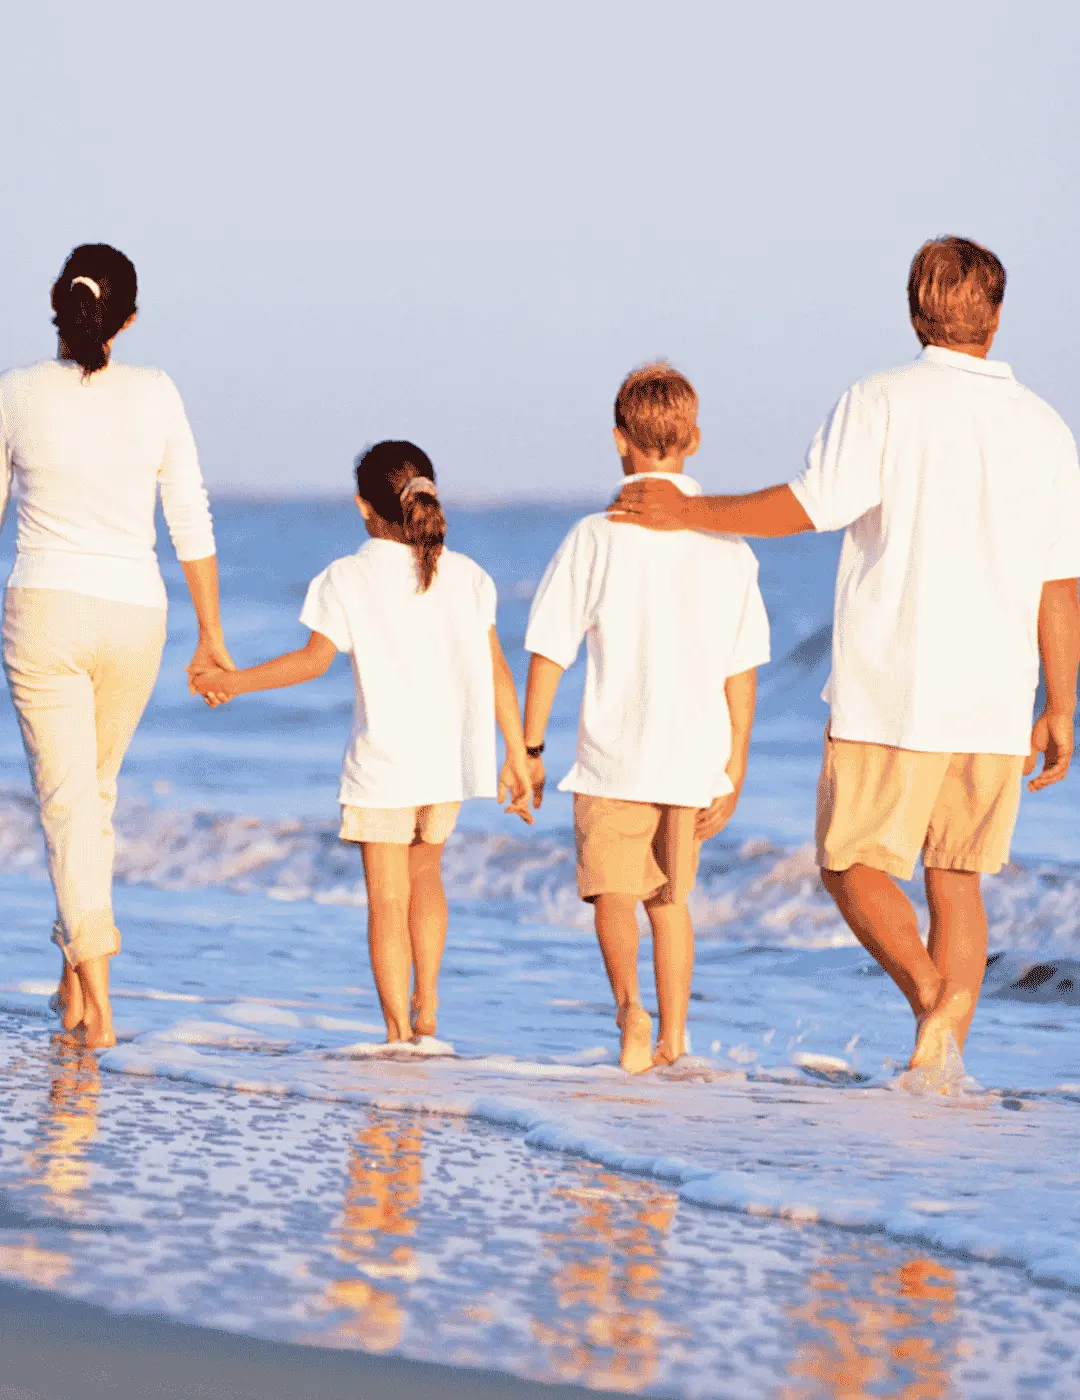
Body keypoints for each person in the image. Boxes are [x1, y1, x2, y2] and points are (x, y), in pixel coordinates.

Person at [609, 237, 1080, 1073]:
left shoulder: (881, 400)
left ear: (912, 310)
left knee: (850, 863)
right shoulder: (1046, 427)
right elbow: (1060, 585)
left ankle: (936, 1006)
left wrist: (689, 514)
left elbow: (807, 506)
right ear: (997, 319)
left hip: (895, 685)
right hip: (997, 698)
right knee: (955, 879)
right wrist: (1060, 705)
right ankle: (940, 1066)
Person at [191, 441, 534, 1044]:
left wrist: (232, 682)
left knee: (386, 901)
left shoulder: (347, 577)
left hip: (385, 766)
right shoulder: (468, 575)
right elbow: (498, 672)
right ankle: (428, 1009)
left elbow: (311, 662)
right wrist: (518, 754)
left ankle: (398, 1034)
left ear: (362, 506)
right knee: (428, 879)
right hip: (448, 764)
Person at [0, 243, 232, 1049]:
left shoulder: (16, 393)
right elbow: (189, 517)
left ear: (58, 305)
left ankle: (99, 1006)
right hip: (137, 615)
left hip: (47, 613)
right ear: (126, 319)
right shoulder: (156, 392)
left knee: (69, 808)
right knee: (90, 800)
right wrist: (211, 637)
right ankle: (72, 986)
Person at [523, 364, 770, 1073]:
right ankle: (676, 1041)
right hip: (694, 759)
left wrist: (532, 745)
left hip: (613, 753)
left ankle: (630, 1009)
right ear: (693, 439)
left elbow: (549, 649)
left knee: (612, 890)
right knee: (671, 901)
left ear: (618, 441)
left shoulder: (594, 537)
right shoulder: (730, 546)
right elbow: (741, 670)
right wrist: (735, 766)